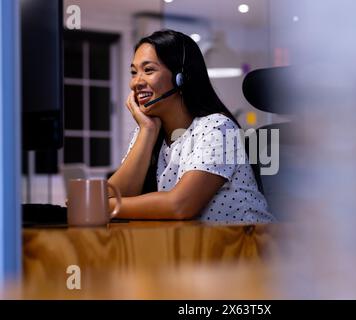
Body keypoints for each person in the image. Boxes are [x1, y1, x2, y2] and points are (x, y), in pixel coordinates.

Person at [108, 29, 274, 223]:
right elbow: (116, 194)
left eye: (148, 70)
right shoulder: (148, 131)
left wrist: (107, 207)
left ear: (181, 78)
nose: (136, 82)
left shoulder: (219, 128)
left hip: (247, 244)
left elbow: (181, 205)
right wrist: (147, 130)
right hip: (194, 246)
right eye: (134, 72)